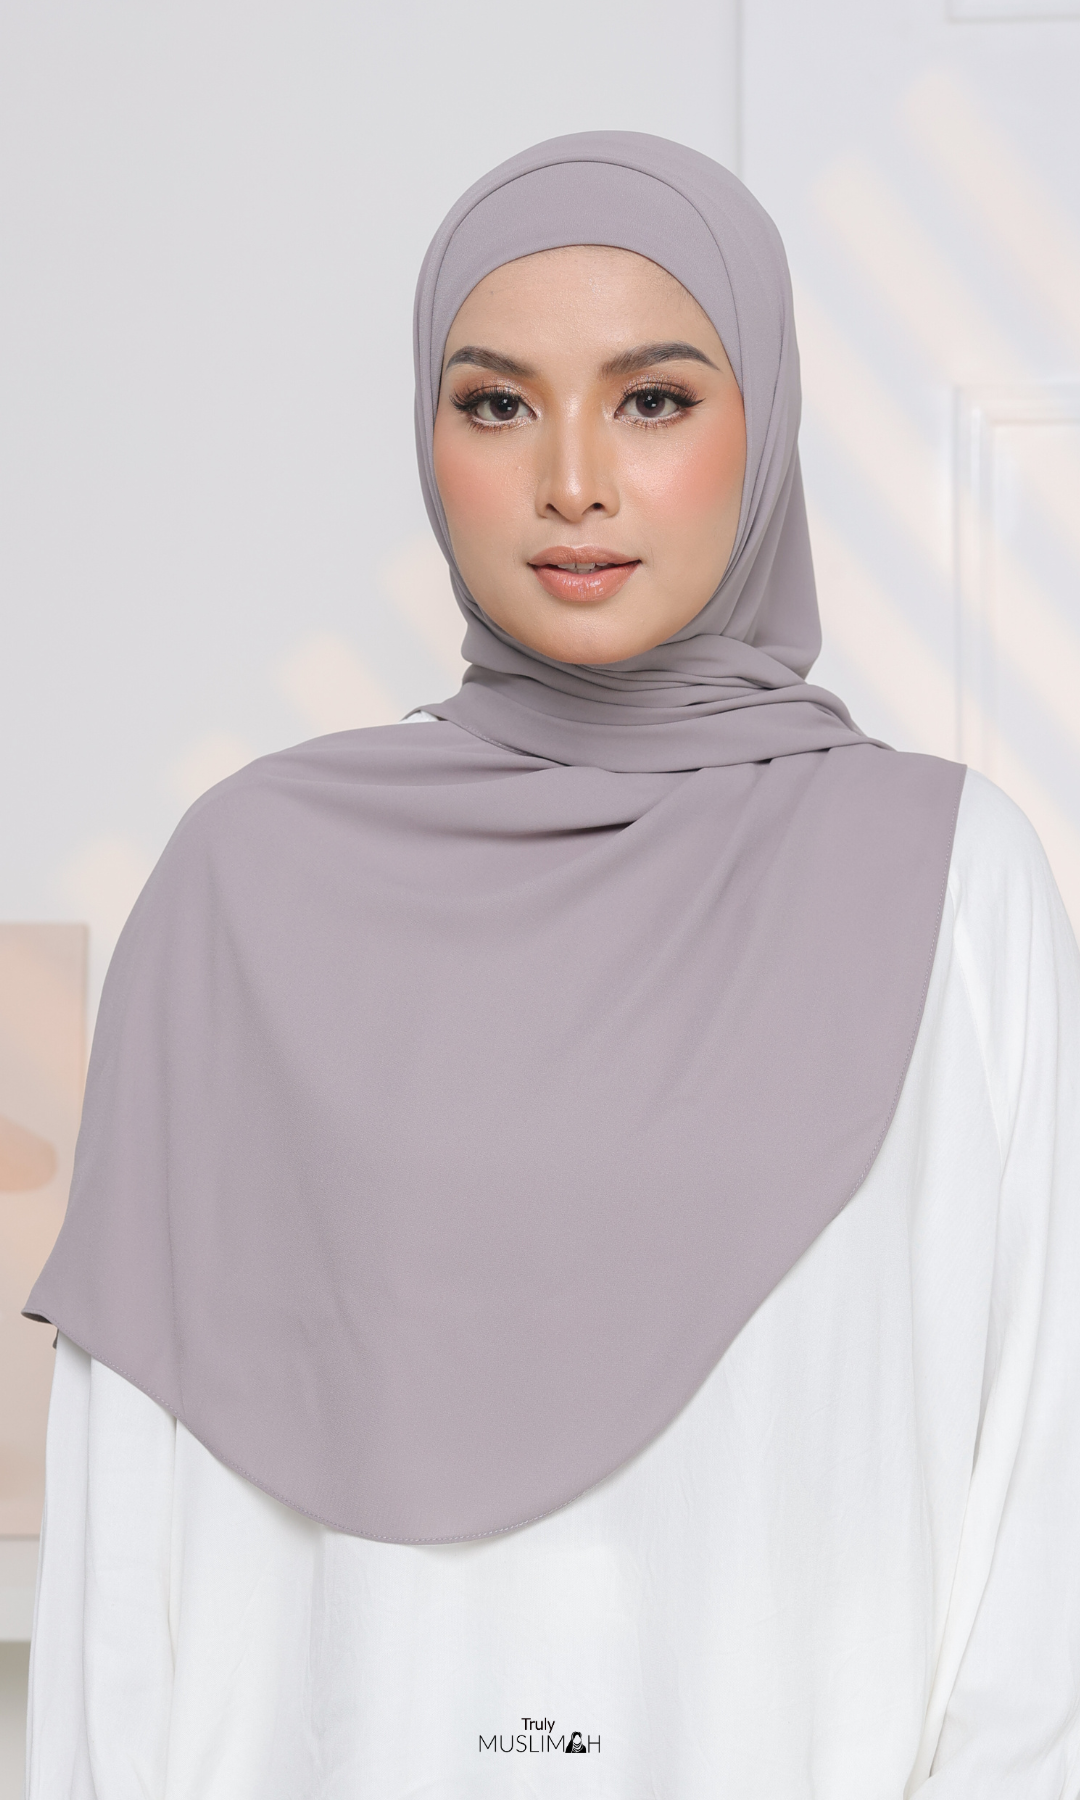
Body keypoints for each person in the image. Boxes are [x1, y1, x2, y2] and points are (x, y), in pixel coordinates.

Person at [24, 132, 1080, 1798]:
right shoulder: (249, 883)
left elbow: (1034, 1530)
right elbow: (135, 1546)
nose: (571, 481)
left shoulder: (953, 880)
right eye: (496, 403)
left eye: (652, 399)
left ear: (766, 422)